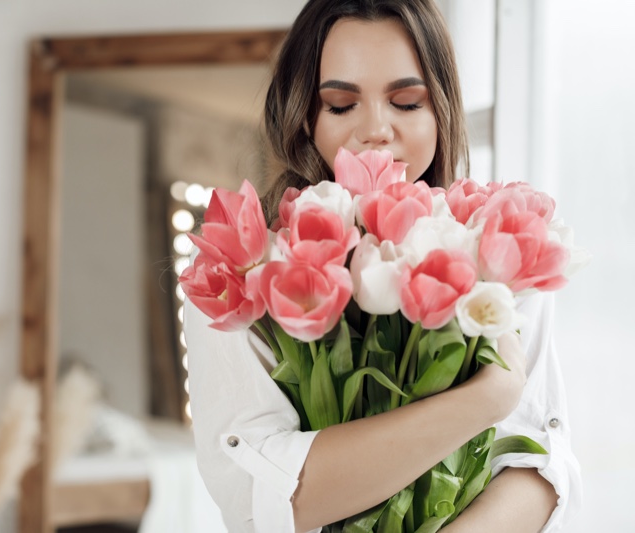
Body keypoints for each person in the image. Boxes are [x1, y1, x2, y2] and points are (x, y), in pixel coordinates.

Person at [184, 1, 581, 531]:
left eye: (406, 101)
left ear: (441, 109)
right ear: (305, 116)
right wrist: (490, 396)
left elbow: (543, 464)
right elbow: (262, 498)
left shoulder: (498, 253)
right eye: (341, 106)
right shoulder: (242, 269)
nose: (375, 129)